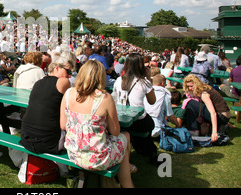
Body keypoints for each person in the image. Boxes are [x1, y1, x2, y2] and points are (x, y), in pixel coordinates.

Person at [60, 60, 134, 188]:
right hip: (98, 158)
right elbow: (115, 132)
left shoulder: (68, 93)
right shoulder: (104, 98)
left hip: (74, 153)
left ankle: (116, 180)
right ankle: (126, 180)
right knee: (125, 136)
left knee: (119, 140)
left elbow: (63, 125)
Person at [112, 53, 158, 165]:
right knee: (150, 124)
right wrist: (149, 79)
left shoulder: (119, 80)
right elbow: (152, 101)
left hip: (121, 120)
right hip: (139, 122)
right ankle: (146, 148)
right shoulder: (144, 82)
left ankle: (139, 145)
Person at [20, 56, 71, 154]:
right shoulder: (63, 82)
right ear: (57, 68)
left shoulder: (38, 83)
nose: (69, 76)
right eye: (68, 72)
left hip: (26, 138)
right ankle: (64, 168)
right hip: (47, 142)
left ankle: (61, 168)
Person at [182, 75, 231, 141]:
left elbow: (213, 113)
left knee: (189, 102)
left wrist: (214, 132)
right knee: (192, 103)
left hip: (221, 118)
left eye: (191, 86)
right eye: (188, 86)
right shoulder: (205, 88)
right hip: (224, 117)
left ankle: (193, 130)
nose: (190, 88)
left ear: (196, 84)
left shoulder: (204, 93)